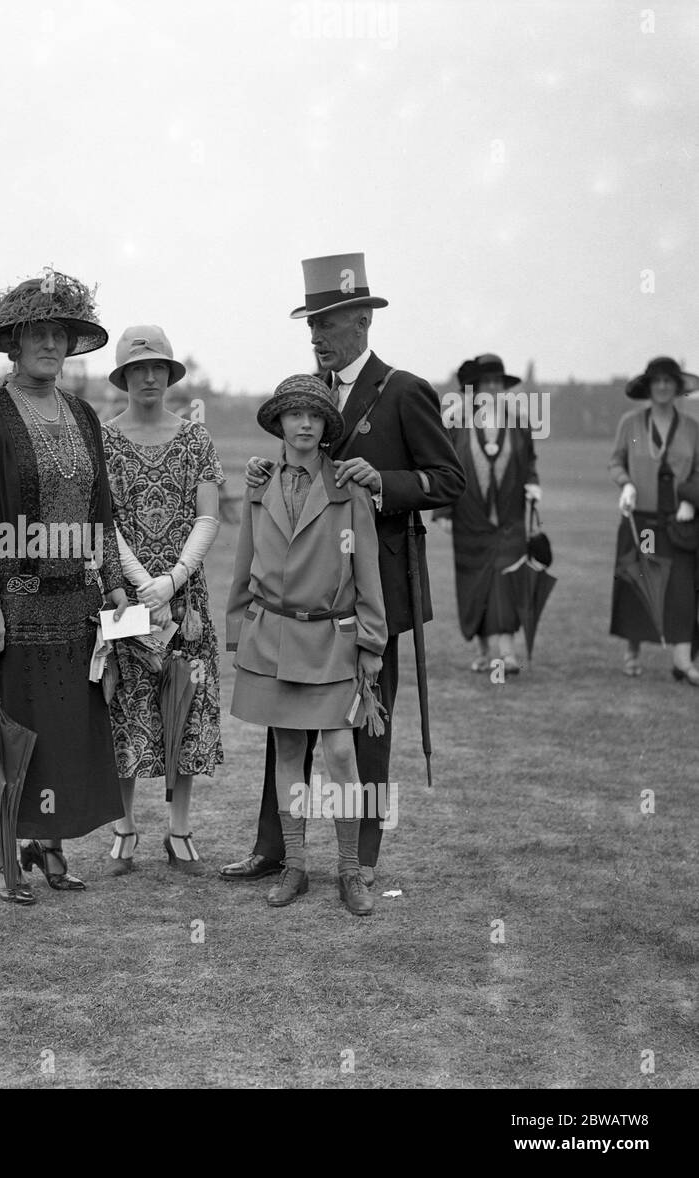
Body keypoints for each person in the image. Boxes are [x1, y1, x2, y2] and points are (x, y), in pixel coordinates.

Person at [220, 253, 465, 888]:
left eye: (326, 324)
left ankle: (360, 862)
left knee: (364, 736)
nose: (315, 337)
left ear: (361, 320)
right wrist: (264, 472)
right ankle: (276, 851)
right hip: (298, 600)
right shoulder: (309, 393)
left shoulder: (406, 390)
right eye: (310, 325)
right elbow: (295, 470)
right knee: (287, 732)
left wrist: (381, 483)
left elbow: (449, 480)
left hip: (373, 592)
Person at [0, 270, 130, 904]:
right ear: (13, 346)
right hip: (10, 605)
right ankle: (1, 856)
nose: (49, 344)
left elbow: (103, 514)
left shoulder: (84, 415)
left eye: (59, 335)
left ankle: (52, 848)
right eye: (38, 334)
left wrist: (117, 588)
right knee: (10, 728)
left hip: (77, 604)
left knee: (67, 730)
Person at [226, 375, 387, 914]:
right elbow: (245, 562)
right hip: (271, 637)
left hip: (332, 640)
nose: (303, 424)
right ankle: (294, 866)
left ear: (325, 428)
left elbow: (368, 571)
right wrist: (235, 631)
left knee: (341, 752)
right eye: (294, 415)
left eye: (314, 417)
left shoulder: (349, 489)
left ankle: (349, 871)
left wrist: (371, 642)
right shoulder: (259, 484)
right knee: (288, 750)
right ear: (279, 423)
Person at [100, 325, 224, 874]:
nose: (149, 377)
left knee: (185, 706)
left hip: (185, 598)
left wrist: (171, 581)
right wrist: (140, 583)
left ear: (170, 376)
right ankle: (124, 829)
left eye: (158, 368)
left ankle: (179, 831)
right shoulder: (103, 440)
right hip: (125, 596)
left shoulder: (196, 438)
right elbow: (102, 522)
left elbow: (208, 516)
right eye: (138, 368)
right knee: (124, 705)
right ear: (125, 376)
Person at [433, 354, 541, 675]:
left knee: (508, 580)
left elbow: (530, 462)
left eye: (497, 383)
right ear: (475, 388)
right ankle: (483, 652)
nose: (492, 389)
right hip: (469, 518)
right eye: (486, 383)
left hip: (510, 518)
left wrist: (534, 485)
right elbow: (444, 467)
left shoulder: (519, 422)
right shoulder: (456, 422)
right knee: (475, 583)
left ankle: (507, 654)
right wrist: (443, 510)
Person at [609, 356, 699, 684]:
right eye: (657, 381)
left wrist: (690, 499)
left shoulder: (692, 428)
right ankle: (632, 651)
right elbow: (616, 461)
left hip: (679, 525)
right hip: (641, 522)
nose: (662, 386)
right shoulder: (631, 423)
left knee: (681, 591)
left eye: (668, 381)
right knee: (640, 584)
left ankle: (684, 662)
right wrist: (626, 485)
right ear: (649, 386)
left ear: (677, 387)